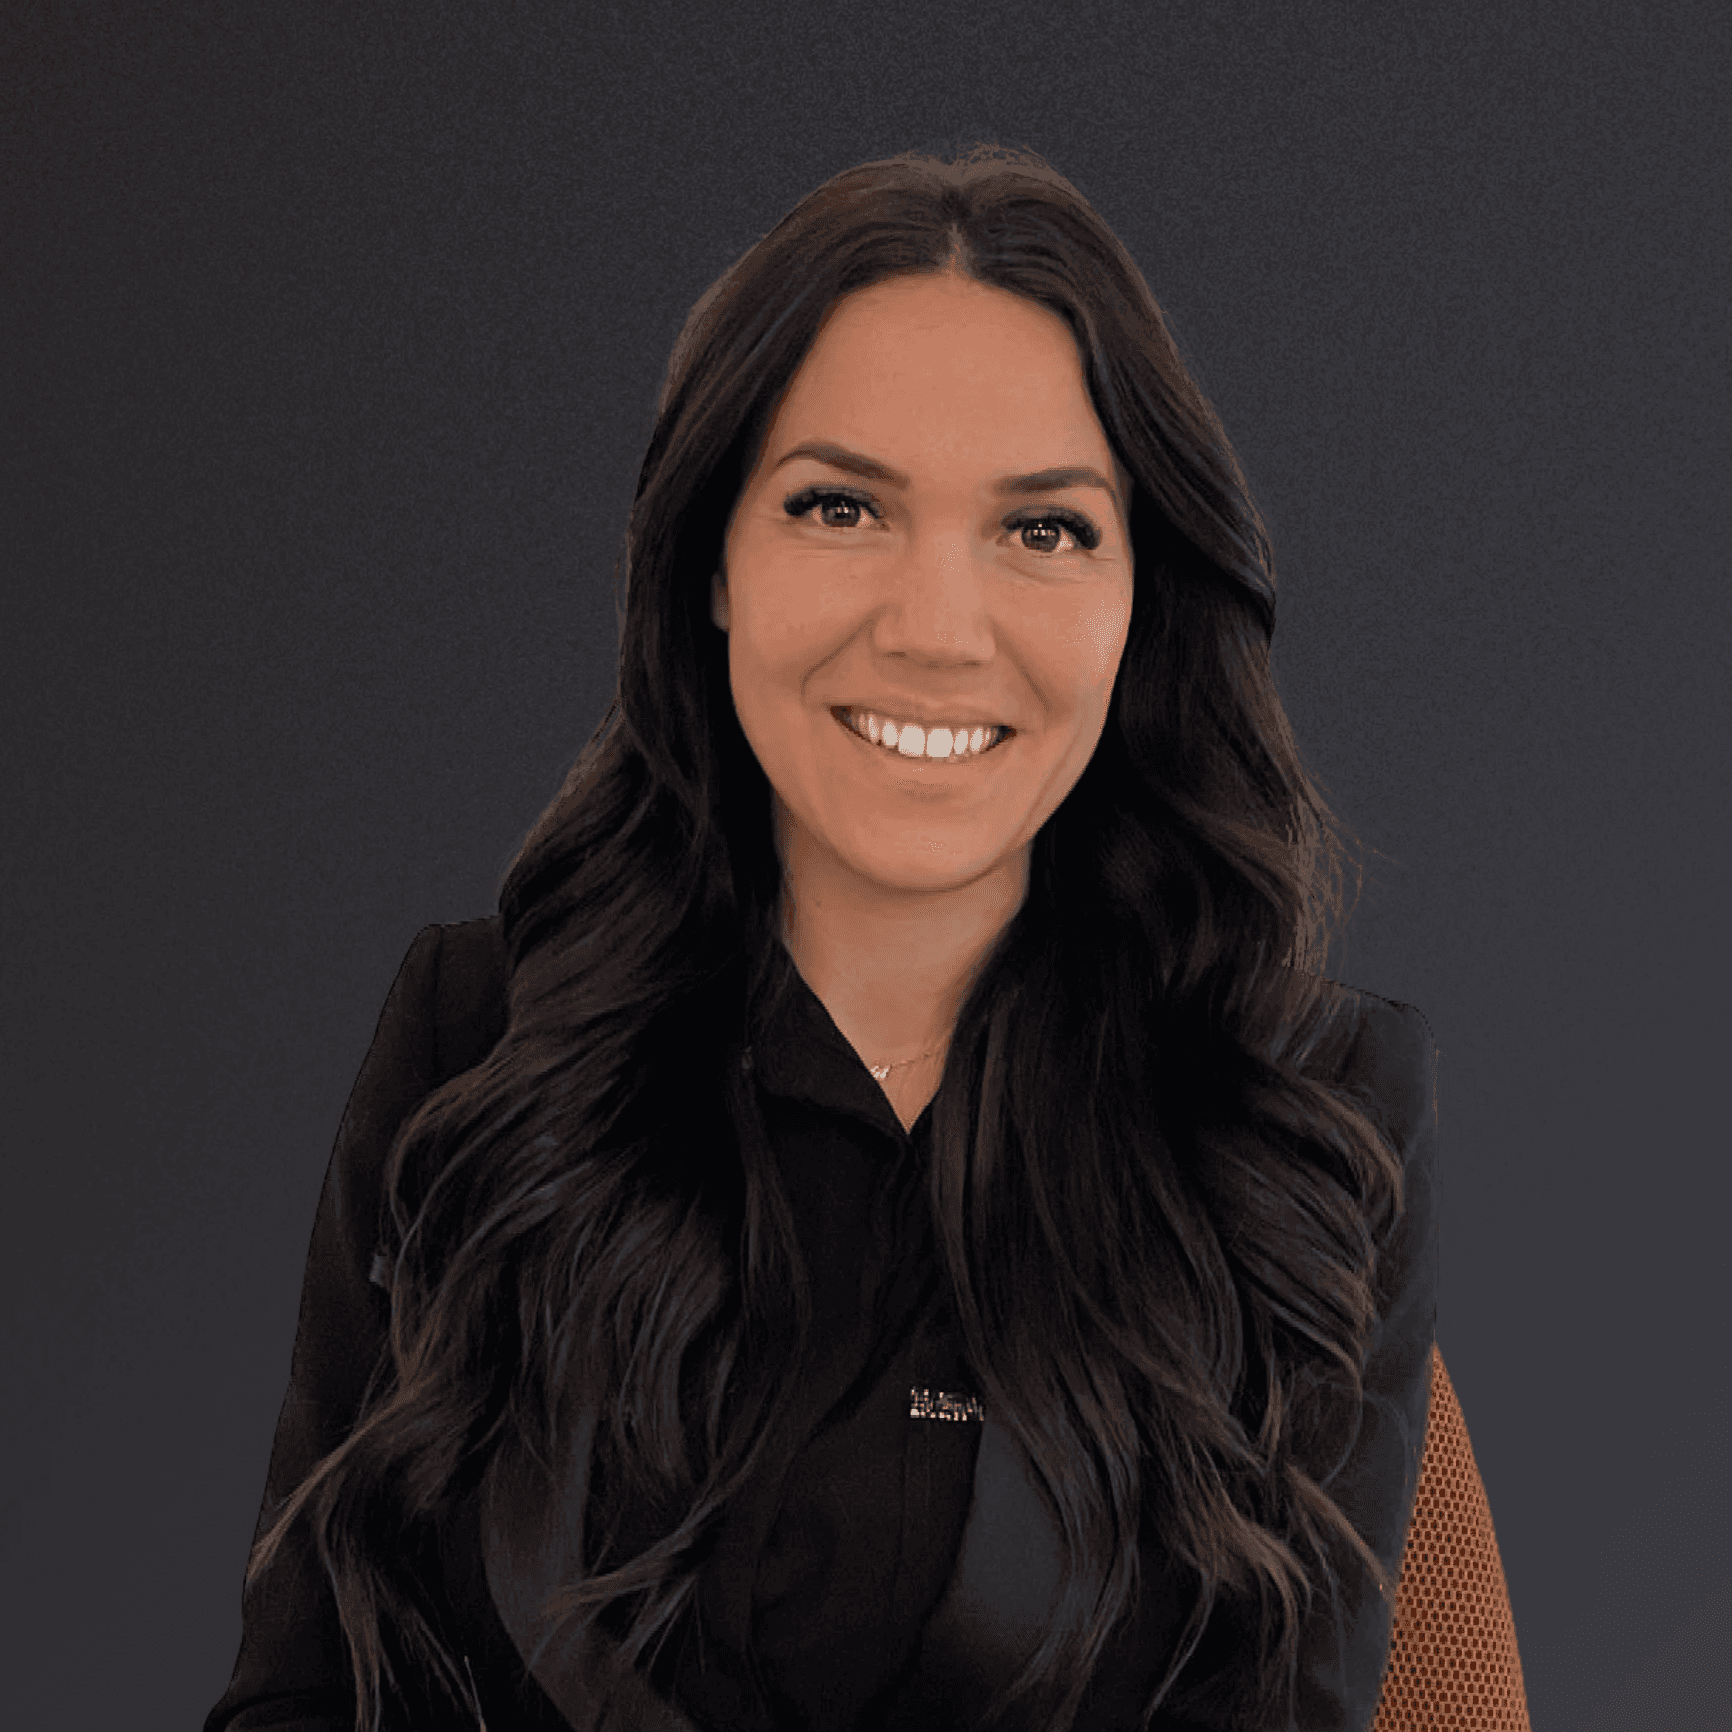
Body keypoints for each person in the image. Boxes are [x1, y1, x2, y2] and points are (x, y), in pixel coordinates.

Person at [203, 144, 1440, 1732]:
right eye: (841, 505)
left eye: (1044, 529)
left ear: (1146, 593)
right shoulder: (477, 1041)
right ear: (713, 560)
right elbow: (300, 1695)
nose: (935, 626)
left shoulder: (1315, 1108)